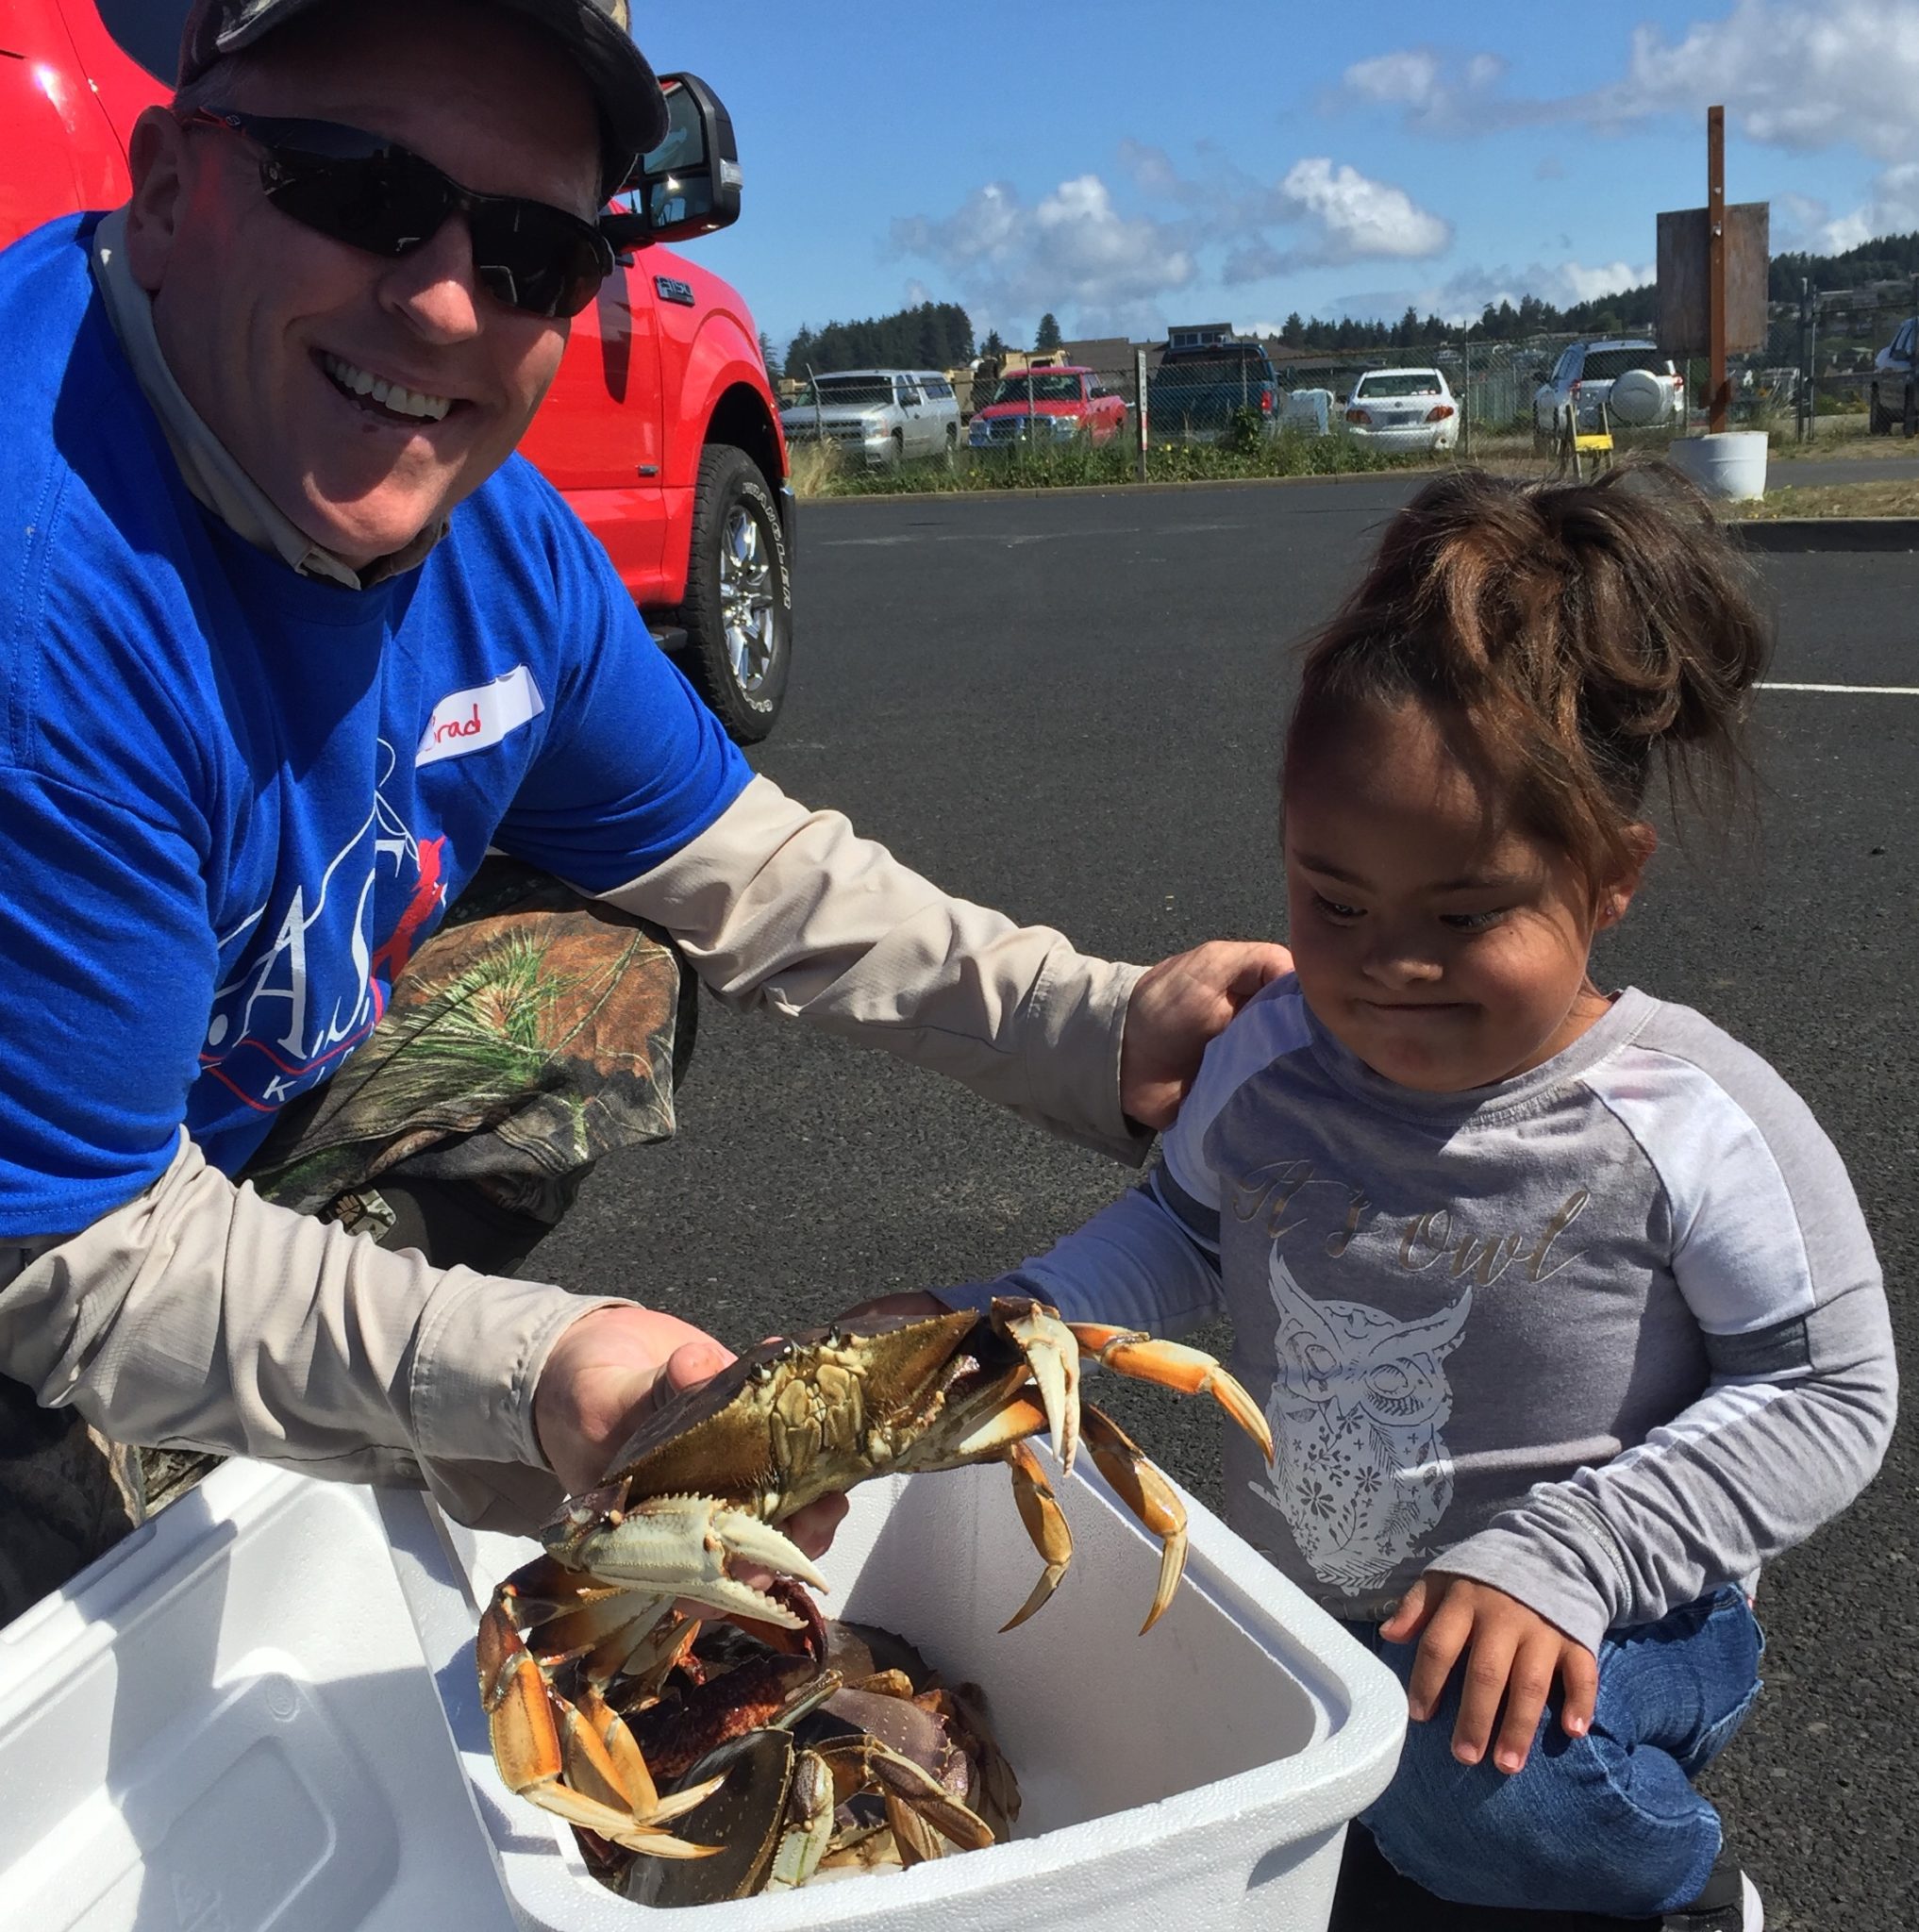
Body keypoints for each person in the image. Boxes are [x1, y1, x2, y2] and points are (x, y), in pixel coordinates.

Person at [0, 0, 1287, 1617]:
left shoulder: (490, 544)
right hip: (41, 1231)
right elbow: (66, 1253)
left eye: (535, 250)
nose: (449, 299)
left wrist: (1089, 1025)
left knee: (597, 985)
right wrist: (531, 1371)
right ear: (175, 178)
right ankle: (167, 1452)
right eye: (356, 192)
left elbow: (749, 872)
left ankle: (253, 1392)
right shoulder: (45, 598)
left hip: (126, 1142)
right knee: (88, 1657)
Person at [866, 470, 1896, 1930]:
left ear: (1609, 878)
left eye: (1466, 915)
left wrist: (1568, 1556)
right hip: (1322, 1617)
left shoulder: (1687, 1116)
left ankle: (1685, 1889)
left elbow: (1828, 1392)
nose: (1384, 967)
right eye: (1331, 902)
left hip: (1622, 1617)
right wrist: (1011, 1324)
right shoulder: (1273, 1054)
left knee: (1476, 1793)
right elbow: (1182, 1227)